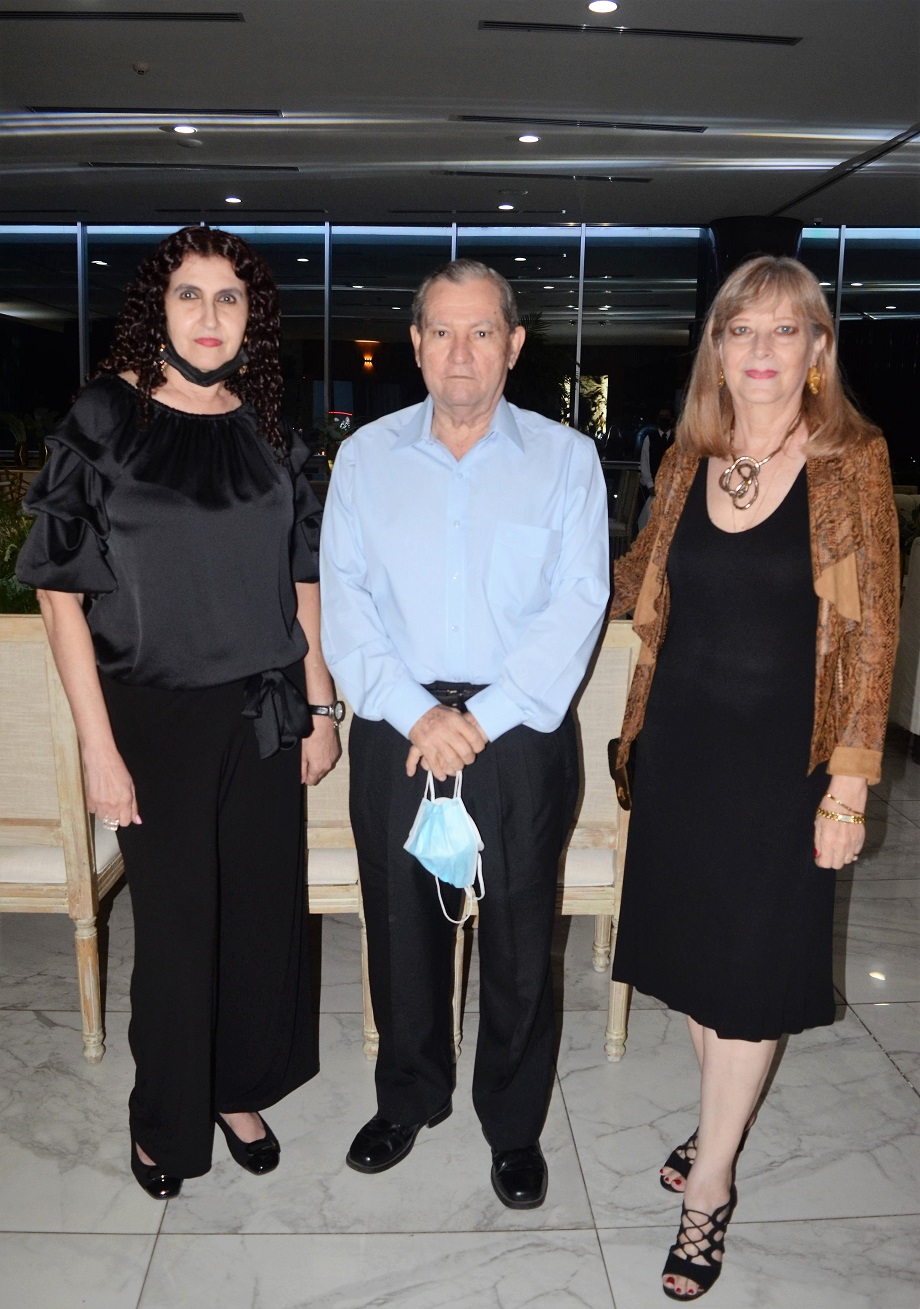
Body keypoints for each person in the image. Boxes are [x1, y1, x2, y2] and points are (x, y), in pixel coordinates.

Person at [16, 226, 342, 1198]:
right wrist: (97, 746)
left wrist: (321, 704)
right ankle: (164, 1116)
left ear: (252, 318)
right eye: (190, 294)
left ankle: (236, 1088)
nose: (209, 315)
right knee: (175, 934)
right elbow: (59, 591)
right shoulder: (107, 416)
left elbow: (301, 574)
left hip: (262, 712)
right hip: (152, 719)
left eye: (229, 297)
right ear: (157, 308)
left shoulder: (267, 426)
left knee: (258, 920)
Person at [610, 255, 899, 1300]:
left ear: (817, 348)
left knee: (746, 983)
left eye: (786, 329)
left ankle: (711, 1184)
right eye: (742, 329)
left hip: (787, 764)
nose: (762, 349)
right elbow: (639, 576)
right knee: (698, 969)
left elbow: (871, 633)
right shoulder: (688, 456)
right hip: (681, 750)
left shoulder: (852, 460)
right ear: (717, 350)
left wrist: (848, 788)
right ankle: (716, 1123)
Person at [320, 259, 609, 1209]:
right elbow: (346, 607)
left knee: (521, 936)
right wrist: (419, 713)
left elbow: (577, 605)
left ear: (513, 345)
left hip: (516, 731)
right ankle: (408, 1097)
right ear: (415, 344)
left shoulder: (566, 460)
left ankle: (513, 1125)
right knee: (400, 924)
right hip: (398, 729)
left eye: (481, 331)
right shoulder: (365, 459)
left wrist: (477, 719)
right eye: (441, 331)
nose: (460, 352)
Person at [636, 407, 675, 531]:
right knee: (649, 521)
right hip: (654, 487)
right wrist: (650, 485)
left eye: (667, 417)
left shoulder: (678, 439)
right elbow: (645, 463)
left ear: (671, 419)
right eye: (662, 417)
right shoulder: (649, 438)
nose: (664, 419)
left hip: (673, 488)